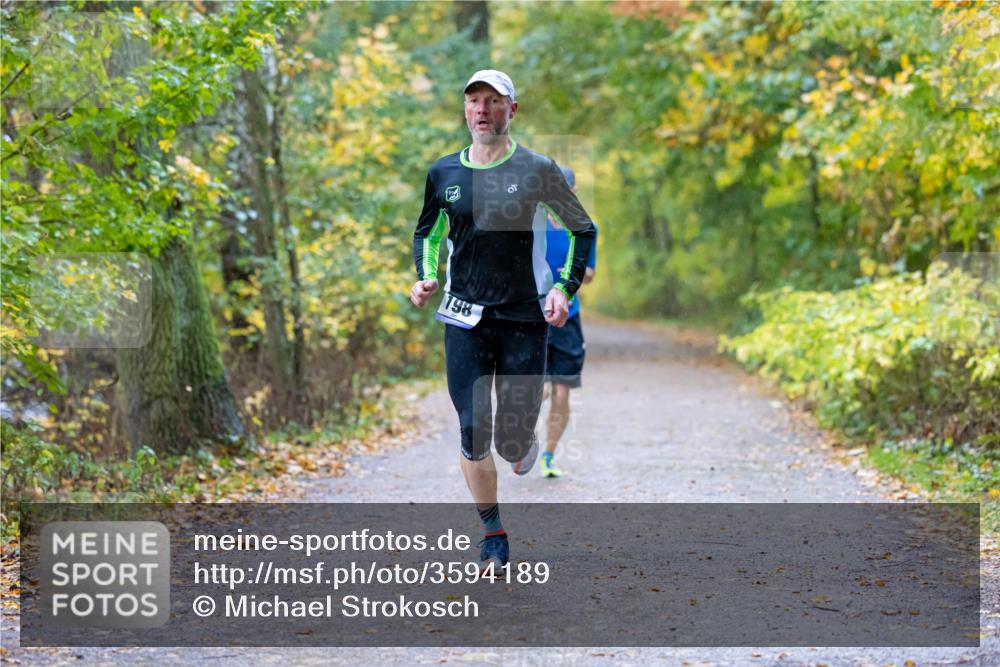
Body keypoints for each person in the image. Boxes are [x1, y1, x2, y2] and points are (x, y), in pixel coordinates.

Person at [409, 69, 596, 572]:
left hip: (523, 316)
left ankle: (523, 439)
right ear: (465, 109)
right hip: (463, 315)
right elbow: (427, 234)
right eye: (474, 101)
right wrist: (426, 277)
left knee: (511, 439)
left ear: (512, 110)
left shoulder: (538, 169)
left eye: (494, 101)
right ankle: (493, 532)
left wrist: (563, 287)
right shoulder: (444, 173)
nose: (483, 109)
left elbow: (582, 229)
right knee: (473, 428)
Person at [540, 165, 596, 478]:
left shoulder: (586, 227)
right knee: (534, 388)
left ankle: (548, 454)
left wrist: (568, 271)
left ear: (573, 192)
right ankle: (524, 442)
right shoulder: (532, 227)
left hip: (568, 318)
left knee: (562, 390)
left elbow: (589, 274)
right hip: (533, 317)